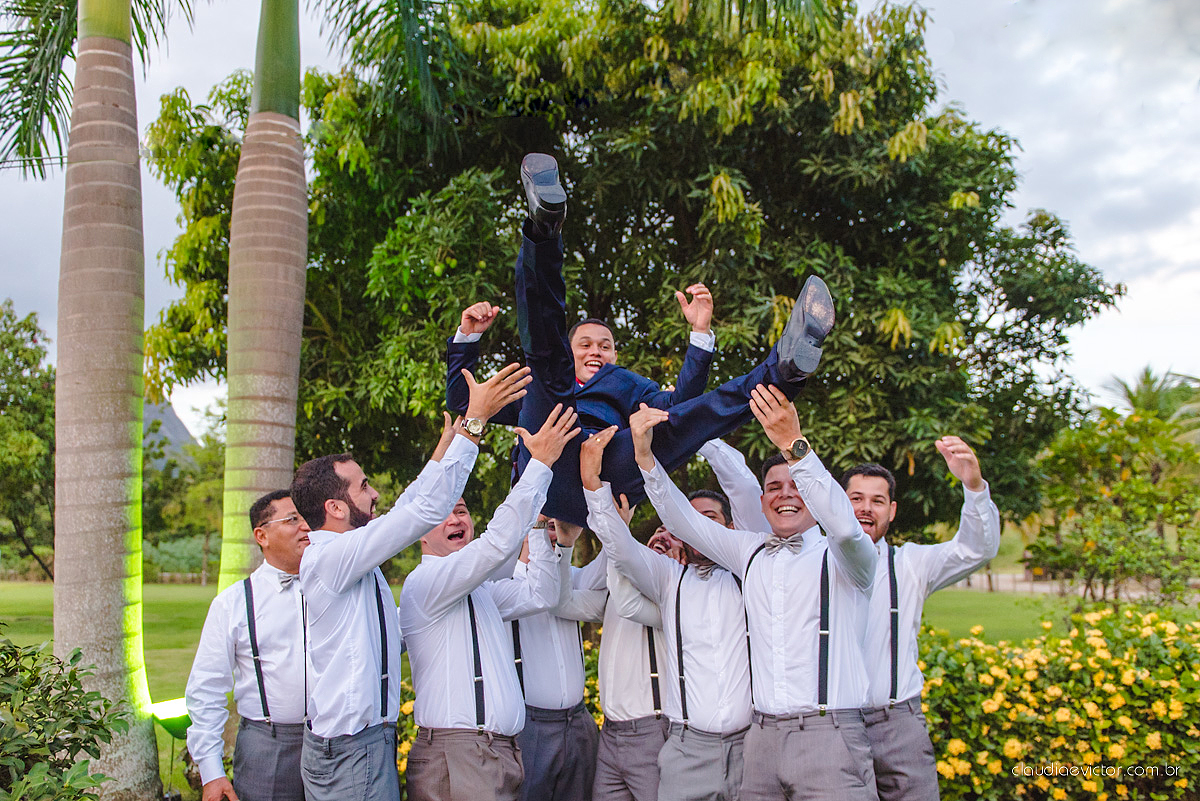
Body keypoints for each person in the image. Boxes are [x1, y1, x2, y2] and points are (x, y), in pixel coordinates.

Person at [446, 152, 836, 527]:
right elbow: (464, 402)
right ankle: (544, 231)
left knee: (684, 422)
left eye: (605, 345)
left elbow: (681, 406)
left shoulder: (628, 385)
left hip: (609, 469)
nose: (595, 350)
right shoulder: (534, 388)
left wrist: (699, 335)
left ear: (615, 355)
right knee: (545, 363)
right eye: (585, 344)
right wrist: (467, 339)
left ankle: (785, 371)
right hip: (548, 466)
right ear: (573, 352)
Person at [291, 363, 530, 801]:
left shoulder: (350, 554)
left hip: (365, 743)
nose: (375, 493)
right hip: (350, 750)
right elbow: (417, 513)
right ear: (336, 508)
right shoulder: (331, 558)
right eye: (363, 487)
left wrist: (446, 446)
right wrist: (474, 425)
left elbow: (411, 502)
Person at [632, 385, 880, 801]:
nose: (785, 494)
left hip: (830, 736)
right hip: (760, 740)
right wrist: (646, 459)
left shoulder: (846, 553)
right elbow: (683, 520)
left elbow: (843, 524)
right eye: (774, 487)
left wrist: (794, 448)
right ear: (762, 501)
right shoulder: (748, 552)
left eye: (795, 484)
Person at [400, 404, 581, 801]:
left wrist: (536, 525)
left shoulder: (479, 593)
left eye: (461, 510)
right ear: (419, 533)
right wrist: (540, 464)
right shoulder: (426, 582)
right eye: (443, 514)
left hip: (499, 753)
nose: (455, 519)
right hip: (459, 756)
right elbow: (496, 544)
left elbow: (543, 593)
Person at [583, 426, 752, 801]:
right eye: (691, 521)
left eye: (710, 518)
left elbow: (745, 488)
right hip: (686, 748)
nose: (700, 528)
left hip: (749, 747)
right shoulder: (669, 580)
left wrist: (700, 430)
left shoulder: (751, 574)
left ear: (730, 528)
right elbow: (623, 551)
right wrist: (594, 484)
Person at [848, 441, 1000, 801]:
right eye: (855, 499)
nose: (866, 509)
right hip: (836, 728)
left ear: (893, 510)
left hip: (898, 724)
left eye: (877, 500)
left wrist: (974, 486)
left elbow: (975, 549)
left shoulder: (911, 564)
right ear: (839, 504)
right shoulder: (812, 564)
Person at [185, 491, 312, 801]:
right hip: (268, 748)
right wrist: (212, 772)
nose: (306, 526)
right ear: (262, 535)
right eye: (292, 519)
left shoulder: (334, 587)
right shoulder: (233, 603)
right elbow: (207, 689)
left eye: (306, 517)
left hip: (337, 744)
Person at [508, 517, 604, 801]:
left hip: (579, 721)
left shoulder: (572, 577)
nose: (554, 531)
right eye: (545, 526)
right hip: (530, 727)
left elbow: (611, 567)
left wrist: (616, 525)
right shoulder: (505, 583)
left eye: (557, 524)